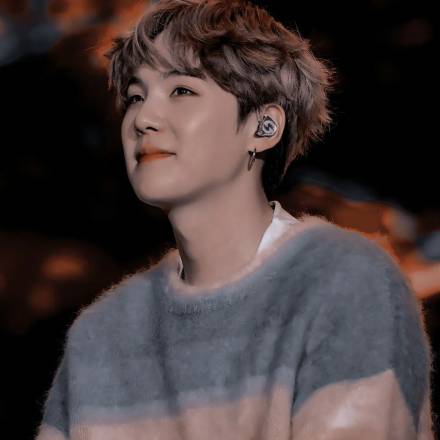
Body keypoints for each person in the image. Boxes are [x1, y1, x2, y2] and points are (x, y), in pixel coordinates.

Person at [36, 0, 435, 438]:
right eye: (135, 96)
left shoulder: (346, 287)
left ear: (264, 127)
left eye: (182, 91)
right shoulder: (98, 332)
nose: (143, 119)